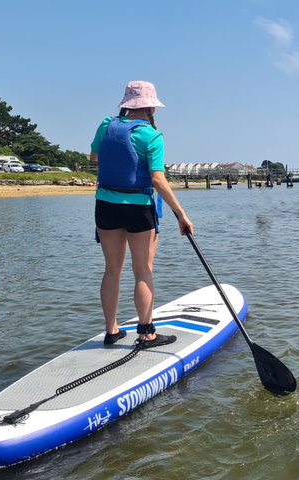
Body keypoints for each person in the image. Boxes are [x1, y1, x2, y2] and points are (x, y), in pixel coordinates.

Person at [90, 81, 193, 349]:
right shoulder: (152, 136)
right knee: (143, 271)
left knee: (112, 271)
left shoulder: (106, 125)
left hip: (106, 205)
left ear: (126, 105)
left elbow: (93, 157)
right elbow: (158, 180)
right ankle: (146, 333)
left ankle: (111, 331)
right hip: (138, 208)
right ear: (150, 107)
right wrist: (181, 214)